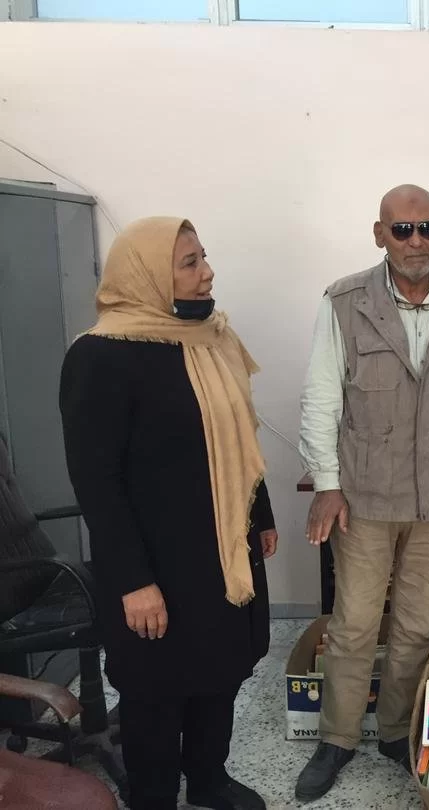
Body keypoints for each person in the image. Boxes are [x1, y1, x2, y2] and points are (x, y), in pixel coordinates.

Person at [59, 217, 276, 810]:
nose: (207, 272)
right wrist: (133, 581)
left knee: (220, 669)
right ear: (148, 275)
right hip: (154, 559)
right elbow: (97, 483)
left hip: (223, 547)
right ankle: (153, 795)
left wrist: (260, 514)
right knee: (156, 687)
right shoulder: (100, 356)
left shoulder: (211, 339)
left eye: (203, 256)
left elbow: (240, 437)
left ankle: (207, 779)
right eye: (188, 262)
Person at [295, 184, 429, 801]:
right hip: (366, 496)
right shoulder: (345, 301)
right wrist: (328, 484)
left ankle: (396, 730)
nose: (415, 241)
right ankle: (337, 738)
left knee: (416, 621)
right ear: (379, 234)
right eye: (401, 229)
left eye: (426, 227)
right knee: (355, 623)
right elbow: (322, 397)